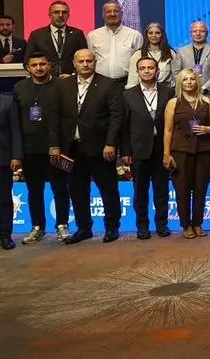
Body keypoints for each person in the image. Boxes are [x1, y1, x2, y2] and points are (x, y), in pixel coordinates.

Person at [48, 49, 123, 244]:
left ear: (95, 62)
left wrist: (110, 143)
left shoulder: (109, 84)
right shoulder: (62, 85)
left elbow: (116, 117)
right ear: (74, 63)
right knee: (77, 191)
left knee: (108, 190)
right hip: (71, 149)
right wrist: (54, 145)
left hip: (101, 148)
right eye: (81, 61)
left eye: (89, 60)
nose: (85, 64)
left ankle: (112, 228)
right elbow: (54, 116)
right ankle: (84, 229)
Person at [15, 53, 71, 244]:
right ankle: (37, 227)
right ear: (27, 67)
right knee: (34, 190)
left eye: (42, 64)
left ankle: (62, 225)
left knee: (60, 188)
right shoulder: (20, 88)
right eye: (34, 65)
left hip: (56, 148)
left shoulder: (61, 86)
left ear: (50, 65)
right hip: (30, 149)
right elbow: (16, 121)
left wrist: (60, 146)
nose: (39, 68)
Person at [120, 55, 173, 239]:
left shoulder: (168, 92)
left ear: (157, 71)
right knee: (140, 191)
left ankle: (162, 225)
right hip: (138, 149)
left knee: (162, 190)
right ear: (137, 72)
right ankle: (142, 226)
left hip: (162, 148)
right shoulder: (127, 94)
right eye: (143, 68)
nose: (147, 71)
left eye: (150, 68)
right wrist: (125, 151)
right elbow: (123, 126)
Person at [162, 67, 210, 239]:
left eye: (192, 79)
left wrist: (208, 129)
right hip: (180, 151)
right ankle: (186, 225)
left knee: (201, 189)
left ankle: (198, 223)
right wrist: (166, 153)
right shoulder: (173, 103)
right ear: (180, 82)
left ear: (197, 81)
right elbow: (168, 130)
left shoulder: (206, 101)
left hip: (203, 151)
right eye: (185, 79)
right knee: (182, 190)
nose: (189, 82)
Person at [26, 0, 88, 77]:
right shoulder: (37, 35)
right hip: (45, 80)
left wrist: (73, 76)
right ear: (49, 15)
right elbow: (27, 61)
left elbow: (85, 58)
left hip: (70, 79)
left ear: (68, 15)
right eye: (56, 12)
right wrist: (42, 75)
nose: (61, 15)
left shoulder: (77, 34)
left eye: (64, 12)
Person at [86, 1, 142, 85]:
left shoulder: (135, 35)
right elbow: (90, 61)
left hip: (126, 83)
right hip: (100, 84)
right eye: (108, 11)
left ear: (122, 14)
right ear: (103, 15)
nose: (112, 14)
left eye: (116, 11)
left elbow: (140, 63)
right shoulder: (93, 36)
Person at [174, 21, 210, 96]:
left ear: (207, 33)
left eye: (202, 31)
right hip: (186, 94)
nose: (198, 34)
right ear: (190, 33)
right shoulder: (181, 51)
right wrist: (187, 87)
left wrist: (204, 88)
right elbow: (176, 73)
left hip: (208, 95)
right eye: (194, 31)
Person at [126, 23, 174, 89]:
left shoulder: (171, 53)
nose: (154, 35)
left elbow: (175, 78)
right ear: (147, 35)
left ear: (162, 35)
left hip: (166, 90)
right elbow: (132, 80)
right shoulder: (138, 54)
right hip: (143, 90)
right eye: (150, 33)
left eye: (157, 33)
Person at [0, 89, 19, 249]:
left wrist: (16, 156)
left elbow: (15, 130)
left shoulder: (7, 102)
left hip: (3, 159)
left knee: (4, 199)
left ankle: (5, 235)